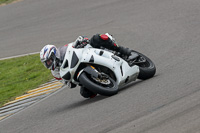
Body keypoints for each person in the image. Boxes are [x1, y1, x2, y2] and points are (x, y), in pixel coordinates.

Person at [40, 33, 132, 98]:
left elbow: (75, 43)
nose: (49, 63)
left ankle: (121, 50)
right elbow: (68, 84)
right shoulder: (55, 73)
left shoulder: (64, 50)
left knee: (96, 38)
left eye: (49, 60)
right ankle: (101, 83)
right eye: (46, 62)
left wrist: (82, 41)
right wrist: (70, 82)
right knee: (85, 93)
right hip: (78, 72)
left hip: (87, 55)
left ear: (54, 54)